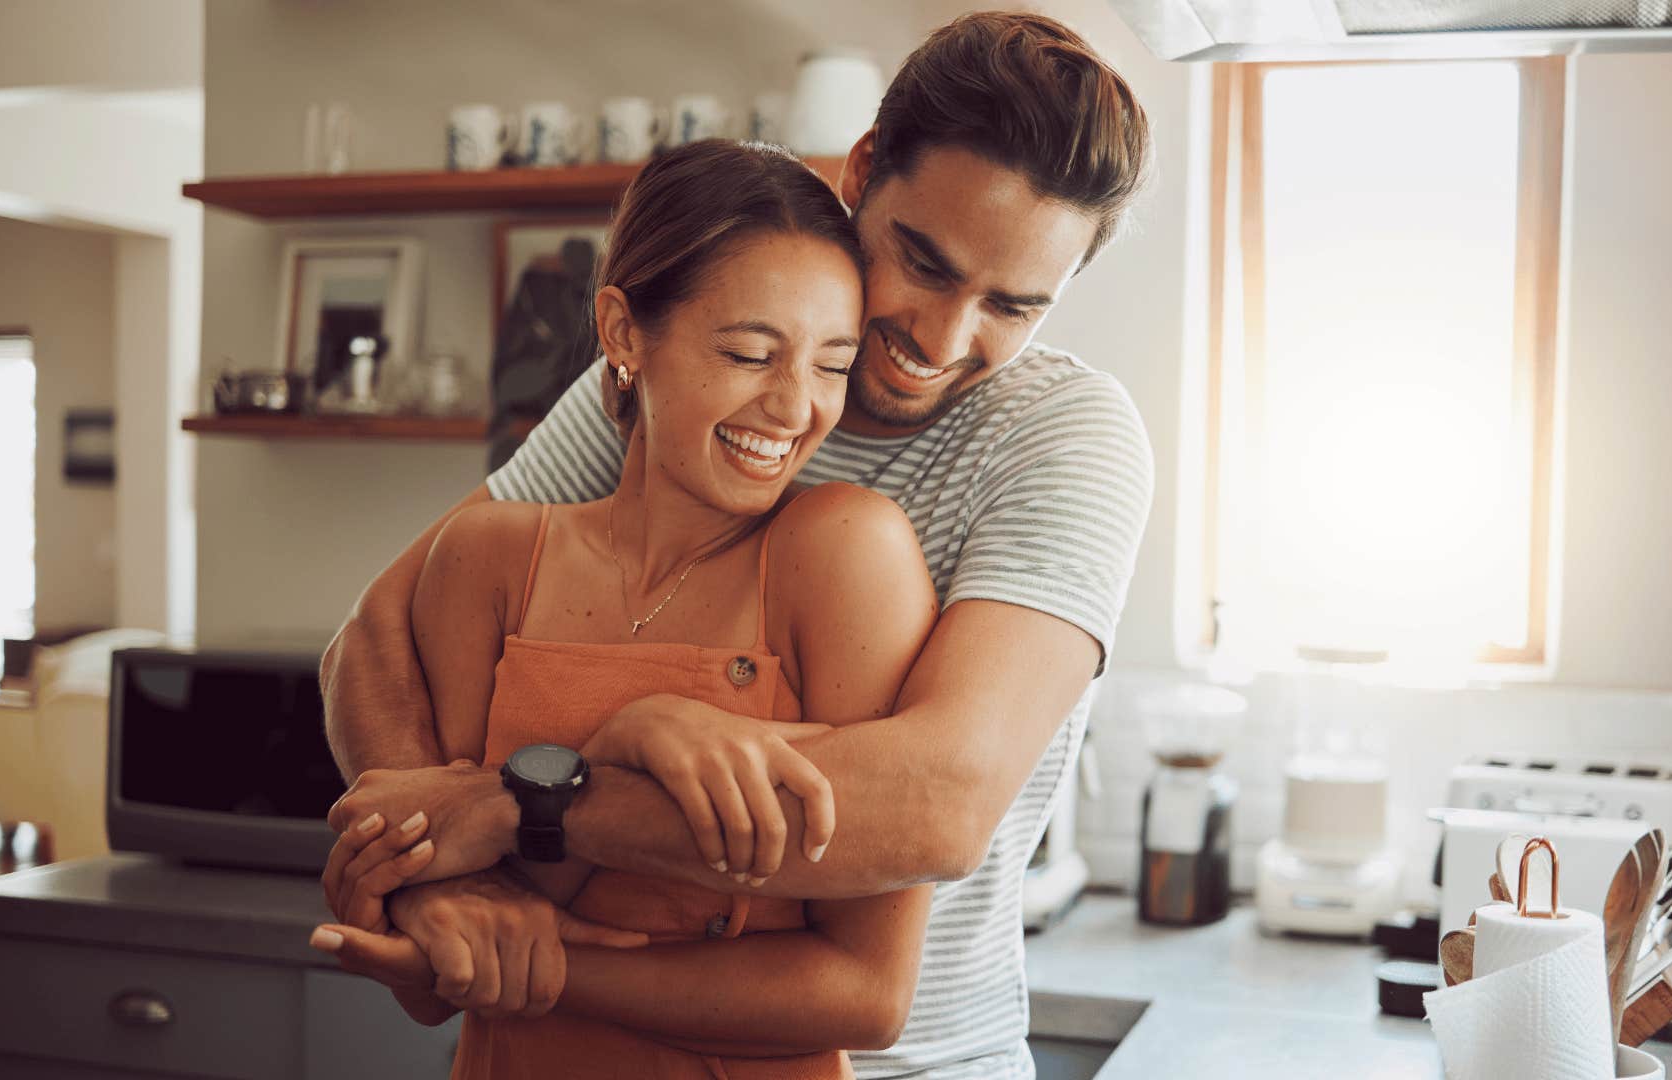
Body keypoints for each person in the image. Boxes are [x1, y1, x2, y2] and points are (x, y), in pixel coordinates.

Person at [316, 12, 1155, 1078]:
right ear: (863, 173)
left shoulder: (1062, 437)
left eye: (1013, 306)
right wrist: (438, 872)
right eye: (925, 262)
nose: (943, 341)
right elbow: (373, 638)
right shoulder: (687, 374)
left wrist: (521, 805)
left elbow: (938, 801)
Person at [319, 139, 940, 1077]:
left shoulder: (844, 553)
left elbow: (866, 994)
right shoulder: (487, 561)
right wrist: (407, 900)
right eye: (748, 352)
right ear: (622, 331)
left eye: (831, 365)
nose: (793, 407)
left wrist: (547, 957)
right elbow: (439, 974)